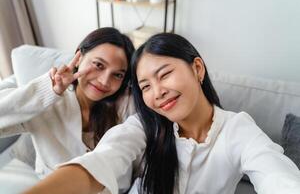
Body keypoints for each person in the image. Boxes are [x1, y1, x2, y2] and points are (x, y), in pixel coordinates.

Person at [23, 33, 300, 194]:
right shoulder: (144, 126)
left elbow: (276, 175)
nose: (157, 92)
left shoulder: (237, 130)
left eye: (164, 74)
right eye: (145, 86)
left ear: (198, 69)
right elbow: (102, 161)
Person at [0, 27, 135, 178]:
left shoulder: (125, 106)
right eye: (98, 65)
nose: (104, 81)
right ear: (80, 57)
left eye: (117, 74)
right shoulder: (45, 101)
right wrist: (48, 91)